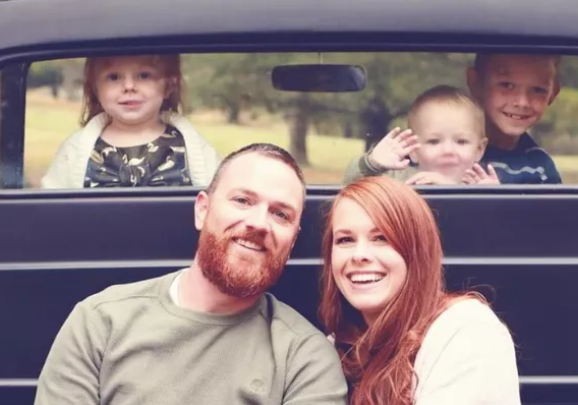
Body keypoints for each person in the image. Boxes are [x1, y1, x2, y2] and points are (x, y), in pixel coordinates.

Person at [35, 143, 348, 405]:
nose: (259, 223)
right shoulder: (100, 322)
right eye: (242, 200)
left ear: (292, 240)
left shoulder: (306, 359)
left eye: (280, 214)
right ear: (203, 210)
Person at [319, 176, 520, 405]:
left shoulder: (467, 330)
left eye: (381, 238)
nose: (359, 254)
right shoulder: (332, 349)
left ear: (415, 251)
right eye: (345, 240)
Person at [41, 54, 219, 189]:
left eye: (143, 75)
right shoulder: (75, 149)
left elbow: (219, 200)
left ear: (169, 86)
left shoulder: (195, 148)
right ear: (95, 88)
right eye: (114, 77)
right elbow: (50, 212)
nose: (129, 86)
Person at [343, 85, 499, 186]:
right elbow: (350, 187)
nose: (448, 150)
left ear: (479, 149)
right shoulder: (399, 180)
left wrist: (495, 199)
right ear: (413, 151)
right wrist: (373, 164)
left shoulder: (478, 186)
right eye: (433, 141)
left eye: (461, 141)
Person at [467, 53, 563, 184]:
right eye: (506, 85)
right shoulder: (449, 152)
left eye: (537, 90)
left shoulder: (540, 168)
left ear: (553, 93)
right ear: (475, 83)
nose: (522, 102)